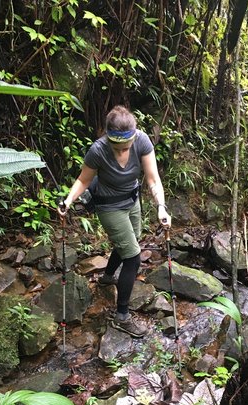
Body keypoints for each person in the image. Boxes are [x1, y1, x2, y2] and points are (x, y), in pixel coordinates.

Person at [58, 105, 171, 338]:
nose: (122, 151)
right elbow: (83, 180)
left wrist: (161, 206)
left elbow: (152, 178)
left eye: (126, 147)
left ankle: (108, 277)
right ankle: (122, 316)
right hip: (108, 206)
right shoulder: (98, 150)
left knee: (130, 242)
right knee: (132, 256)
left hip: (132, 200)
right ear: (108, 138)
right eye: (117, 147)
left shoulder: (141, 141)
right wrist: (68, 200)